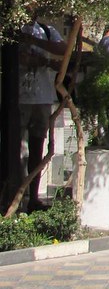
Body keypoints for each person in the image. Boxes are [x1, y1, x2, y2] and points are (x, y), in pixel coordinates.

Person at [18, 17, 65, 212]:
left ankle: (33, 197)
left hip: (42, 96)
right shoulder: (14, 28)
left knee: (38, 147)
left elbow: (62, 49)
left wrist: (36, 45)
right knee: (18, 150)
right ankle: (16, 196)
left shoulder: (46, 30)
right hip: (18, 97)